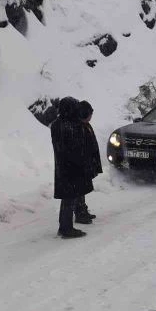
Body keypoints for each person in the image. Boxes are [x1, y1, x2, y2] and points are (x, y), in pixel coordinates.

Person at [51, 97, 93, 238]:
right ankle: (66, 228)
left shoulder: (58, 123)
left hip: (64, 165)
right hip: (71, 166)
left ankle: (67, 225)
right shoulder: (69, 125)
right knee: (69, 197)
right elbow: (75, 148)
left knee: (69, 197)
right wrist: (82, 163)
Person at [76, 100, 102, 224]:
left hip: (86, 162)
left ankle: (83, 210)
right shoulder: (78, 127)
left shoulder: (85, 125)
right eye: (90, 114)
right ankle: (80, 214)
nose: (91, 116)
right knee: (80, 188)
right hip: (81, 163)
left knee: (83, 188)